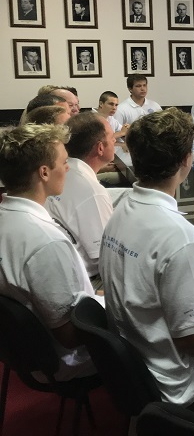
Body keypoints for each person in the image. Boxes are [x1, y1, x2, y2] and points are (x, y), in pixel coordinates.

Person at [100, 108, 194, 409]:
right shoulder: (177, 234)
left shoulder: (122, 209)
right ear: (187, 160)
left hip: (137, 368)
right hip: (180, 386)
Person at [0, 123, 97, 381]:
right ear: (44, 172)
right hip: (65, 360)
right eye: (64, 162)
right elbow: (71, 337)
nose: (68, 168)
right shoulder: (46, 242)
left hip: (21, 349)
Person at [46, 113, 116, 287]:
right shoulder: (92, 191)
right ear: (100, 148)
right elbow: (105, 258)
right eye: (112, 137)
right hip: (85, 280)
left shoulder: (64, 170)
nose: (115, 141)